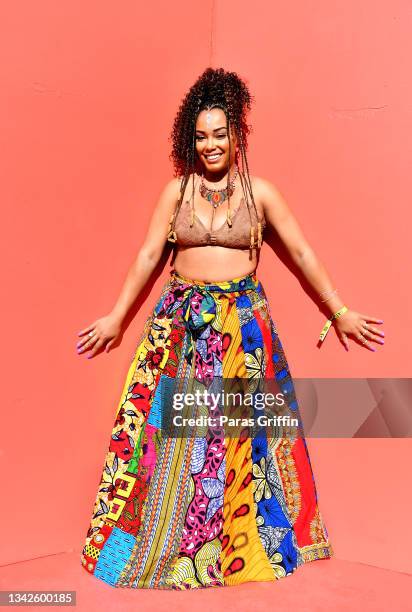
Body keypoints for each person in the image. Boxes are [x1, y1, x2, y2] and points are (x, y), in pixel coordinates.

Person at [78, 67, 385, 590]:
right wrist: (116, 316)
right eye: (201, 136)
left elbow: (302, 251)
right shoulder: (176, 193)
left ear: (237, 135)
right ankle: (172, 549)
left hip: (243, 329)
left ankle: (241, 546)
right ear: (189, 139)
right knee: (169, 441)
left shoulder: (261, 193)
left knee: (245, 441)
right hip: (183, 327)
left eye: (220, 133)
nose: (211, 144)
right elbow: (150, 254)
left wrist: (340, 311)